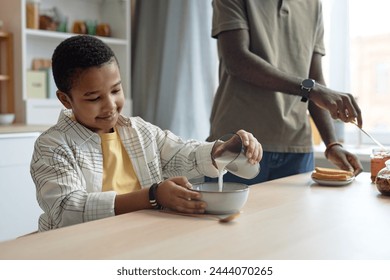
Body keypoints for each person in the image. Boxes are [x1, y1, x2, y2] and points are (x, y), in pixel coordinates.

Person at [30, 35, 262, 232]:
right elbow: (67, 209)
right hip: (77, 250)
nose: (110, 105)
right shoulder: (53, 145)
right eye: (94, 98)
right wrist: (153, 196)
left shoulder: (139, 131)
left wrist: (222, 149)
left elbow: (183, 153)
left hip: (137, 237)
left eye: (116, 90)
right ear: (65, 99)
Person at [206, 0, 363, 184]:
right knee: (228, 214)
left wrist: (331, 143)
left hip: (297, 151)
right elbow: (236, 59)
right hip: (237, 145)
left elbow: (314, 77)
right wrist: (311, 88)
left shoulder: (313, 4)